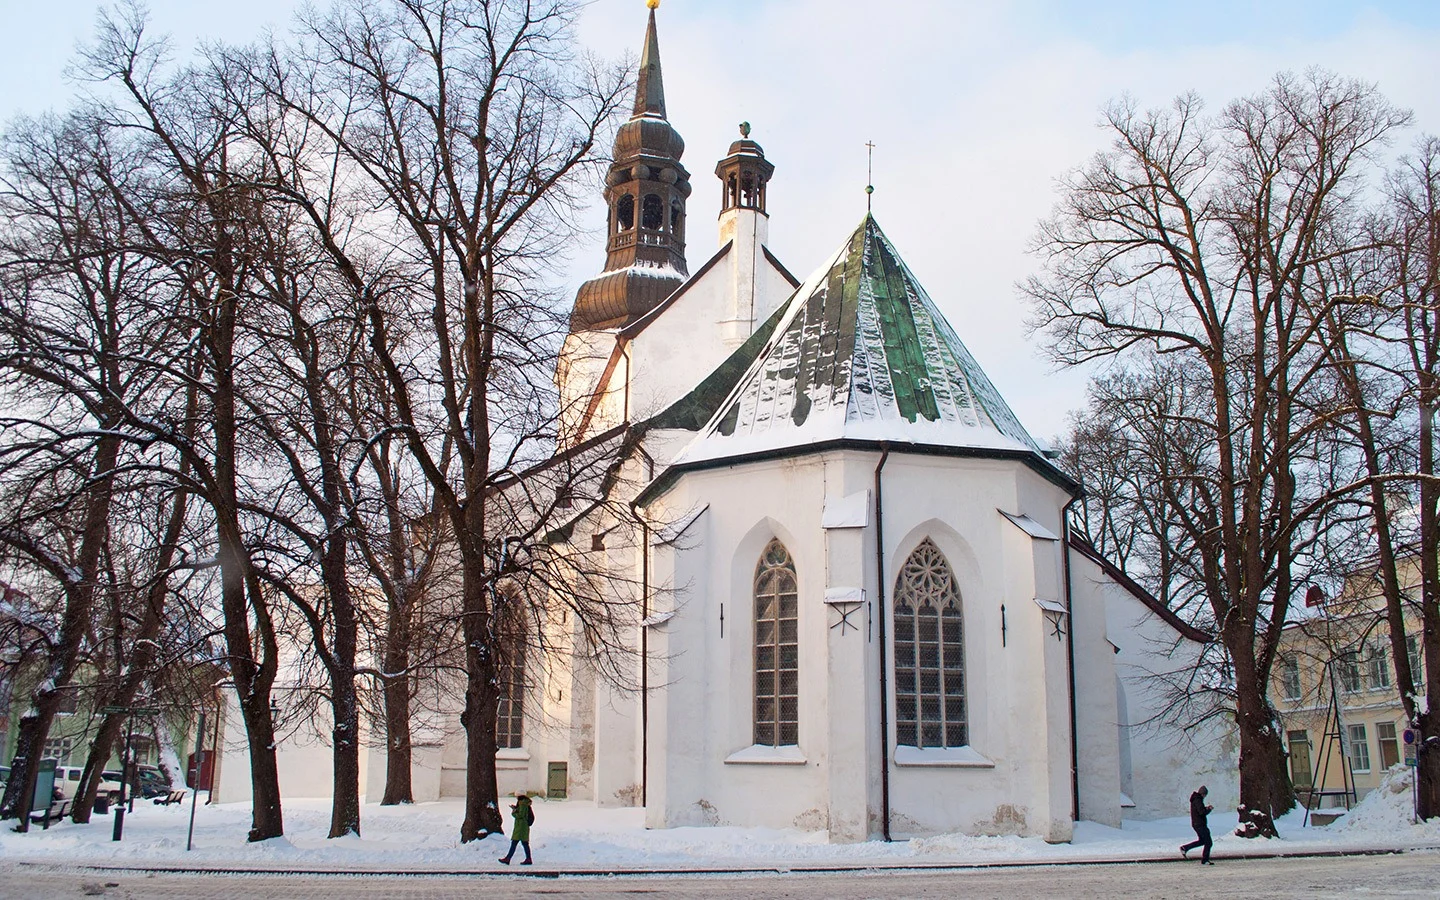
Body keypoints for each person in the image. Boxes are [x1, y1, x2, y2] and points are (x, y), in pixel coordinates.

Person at [1180, 784, 1214, 864]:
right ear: (1203, 794)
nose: (1205, 796)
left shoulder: (1196, 799)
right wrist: (1208, 809)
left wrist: (1205, 808)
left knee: (1202, 841)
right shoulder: (1198, 800)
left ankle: (1185, 848)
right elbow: (1202, 812)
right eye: (1205, 795)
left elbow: (1199, 810)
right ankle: (1205, 860)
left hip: (1196, 824)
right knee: (1208, 842)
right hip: (1200, 824)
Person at [499, 793, 534, 865]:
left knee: (515, 843)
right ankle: (528, 859)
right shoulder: (525, 803)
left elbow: (520, 815)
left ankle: (508, 858)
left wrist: (514, 812)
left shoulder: (522, 803)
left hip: (520, 827)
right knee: (524, 843)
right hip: (523, 827)